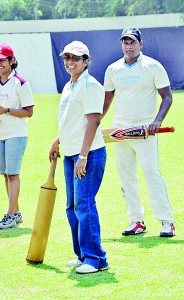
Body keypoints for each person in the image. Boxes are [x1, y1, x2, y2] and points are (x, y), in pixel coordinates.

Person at [103, 28, 175, 237]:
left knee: (152, 174)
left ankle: (166, 221)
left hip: (145, 131)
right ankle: (136, 221)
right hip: (120, 131)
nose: (129, 46)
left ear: (140, 44)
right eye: (125, 42)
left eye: (132, 42)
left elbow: (167, 97)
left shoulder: (152, 66)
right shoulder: (113, 69)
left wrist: (157, 121)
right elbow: (106, 101)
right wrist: (95, 123)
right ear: (121, 45)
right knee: (126, 177)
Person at [49, 41, 108, 274]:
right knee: (72, 207)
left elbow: (94, 121)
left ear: (86, 61)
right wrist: (58, 140)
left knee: (84, 205)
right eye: (67, 58)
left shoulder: (91, 85)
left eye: (75, 58)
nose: (70, 62)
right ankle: (82, 254)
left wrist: (83, 155)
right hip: (72, 154)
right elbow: (71, 121)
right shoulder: (68, 85)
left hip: (88, 155)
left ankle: (96, 259)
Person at [0, 44, 34, 229]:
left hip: (16, 134)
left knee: (13, 174)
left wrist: (7, 110)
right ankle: (16, 212)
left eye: (3, 60)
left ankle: (10, 216)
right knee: (6, 174)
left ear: (12, 61)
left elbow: (29, 112)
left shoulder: (21, 82)